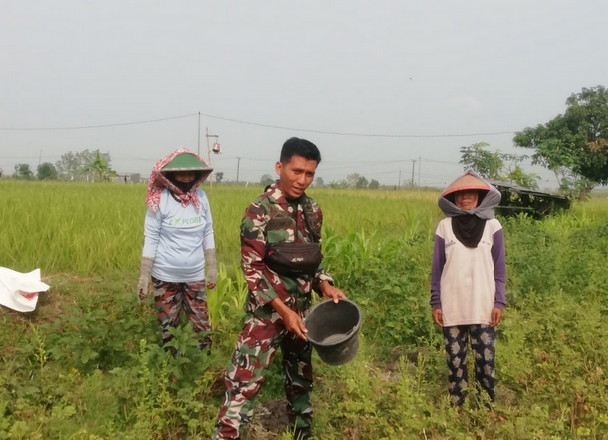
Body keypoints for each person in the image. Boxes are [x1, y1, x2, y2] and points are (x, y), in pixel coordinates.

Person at [213, 138, 346, 440]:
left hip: (302, 314)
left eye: (309, 174)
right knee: (243, 384)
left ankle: (302, 434)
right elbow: (253, 269)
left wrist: (325, 285)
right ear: (280, 167)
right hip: (267, 314)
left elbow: (315, 258)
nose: (302, 180)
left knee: (300, 381)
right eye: (296, 171)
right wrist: (283, 312)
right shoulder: (259, 211)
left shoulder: (313, 209)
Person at [430, 170, 506, 406]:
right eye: (460, 194)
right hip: (452, 305)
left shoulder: (493, 226)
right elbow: (437, 268)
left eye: (469, 193)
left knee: (485, 359)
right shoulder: (444, 226)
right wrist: (436, 302)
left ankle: (485, 407)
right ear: (454, 199)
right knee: (455, 361)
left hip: (482, 304)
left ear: (479, 196)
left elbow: (499, 269)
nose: (464, 198)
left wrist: (499, 302)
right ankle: (457, 407)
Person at [137, 148, 217, 352]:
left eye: (191, 173)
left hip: (195, 275)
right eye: (181, 173)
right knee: (168, 327)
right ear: (170, 176)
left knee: (201, 325)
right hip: (165, 276)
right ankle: (171, 366)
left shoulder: (201, 198)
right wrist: (144, 276)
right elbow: (151, 238)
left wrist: (212, 267)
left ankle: (201, 365)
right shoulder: (160, 200)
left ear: (197, 176)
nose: (186, 177)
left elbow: (208, 231)